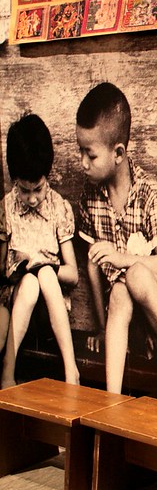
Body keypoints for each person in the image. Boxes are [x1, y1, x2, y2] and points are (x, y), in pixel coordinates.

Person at [76, 82, 157, 394]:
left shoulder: (149, 192)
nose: (83, 163)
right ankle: (112, 397)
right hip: (126, 318)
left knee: (134, 275)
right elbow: (94, 266)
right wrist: (101, 327)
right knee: (119, 290)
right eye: (80, 151)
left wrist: (123, 259)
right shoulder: (90, 200)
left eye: (90, 154)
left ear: (119, 153)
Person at [0, 114, 80, 388]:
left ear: (48, 177)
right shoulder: (6, 209)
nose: (33, 198)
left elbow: (73, 274)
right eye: (24, 190)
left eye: (39, 189)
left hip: (51, 313)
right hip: (17, 306)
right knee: (31, 282)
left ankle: (72, 371)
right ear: (14, 180)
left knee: (43, 274)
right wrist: (14, 266)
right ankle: (7, 373)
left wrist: (43, 263)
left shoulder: (58, 207)